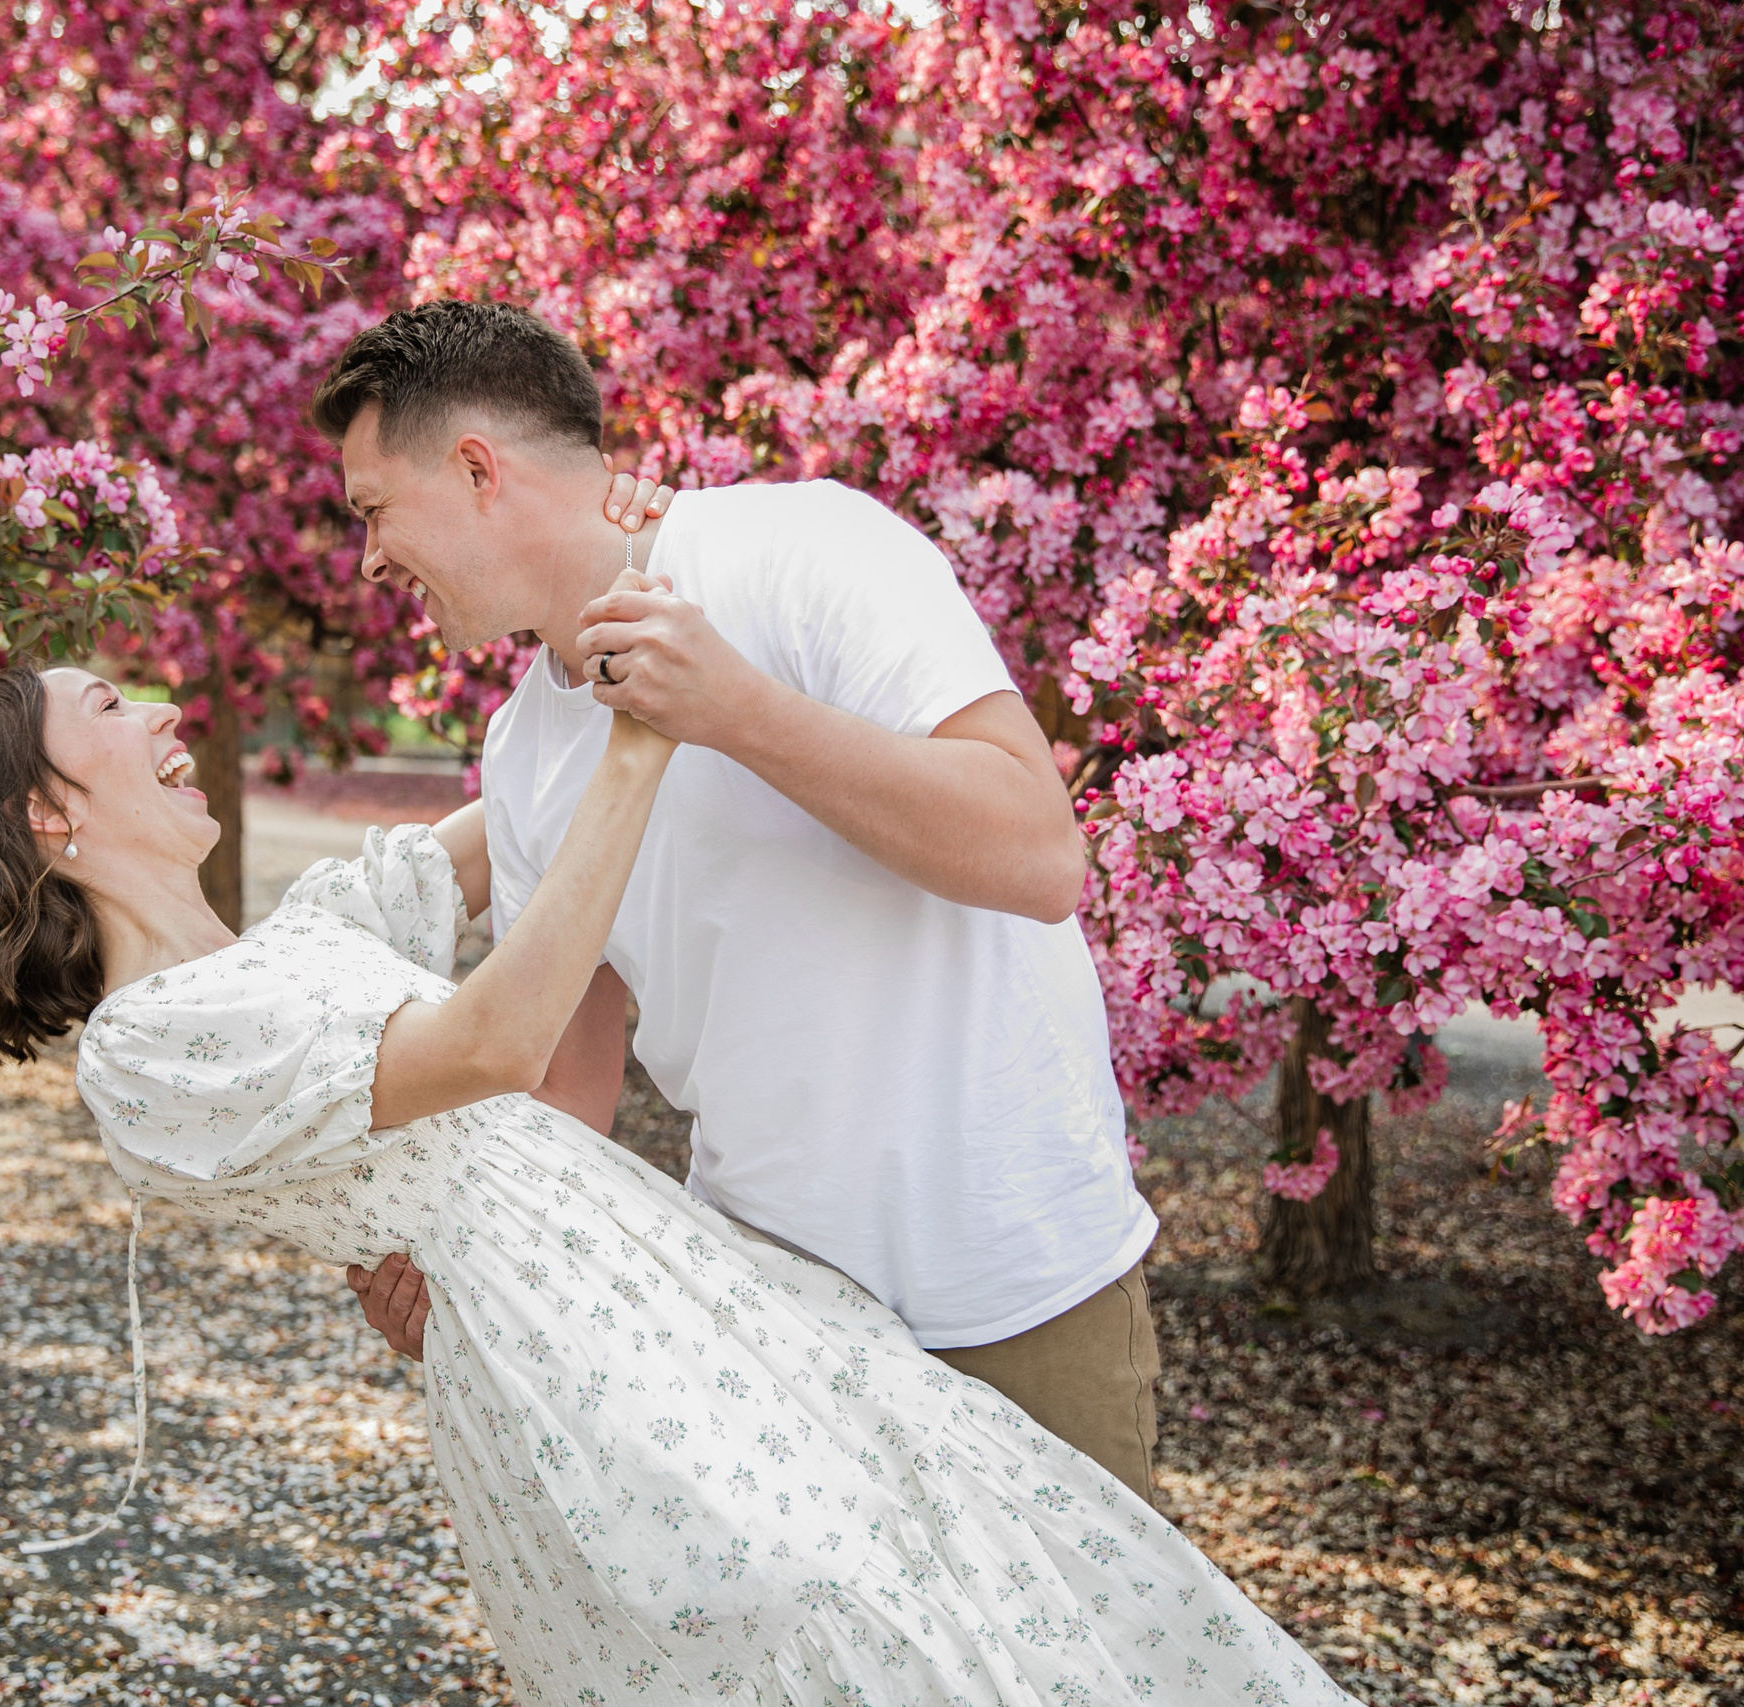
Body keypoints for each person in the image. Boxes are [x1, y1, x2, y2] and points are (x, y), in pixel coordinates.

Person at [0, 661, 1357, 1706]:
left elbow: (527, 781)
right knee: (810, 1613)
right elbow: (502, 1033)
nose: (162, 710)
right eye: (109, 708)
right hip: (568, 1360)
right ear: (46, 820)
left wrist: (609, 604)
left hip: (669, 1280)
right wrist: (645, 752)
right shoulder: (146, 1048)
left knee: (958, 1566)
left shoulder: (311, 929)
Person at [320, 301, 1166, 1504]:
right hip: (766, 1323)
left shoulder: (806, 550)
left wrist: (732, 710)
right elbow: (565, 1084)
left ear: (473, 469)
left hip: (1017, 1289)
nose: (368, 562)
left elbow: (1038, 857)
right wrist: (457, 1246)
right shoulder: (520, 754)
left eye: (373, 513)